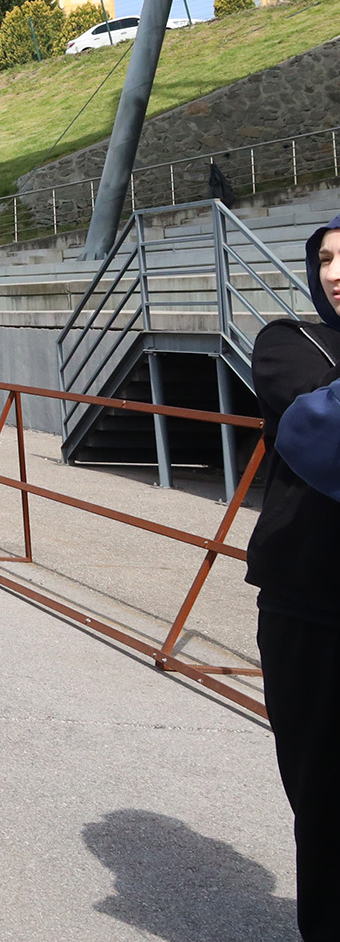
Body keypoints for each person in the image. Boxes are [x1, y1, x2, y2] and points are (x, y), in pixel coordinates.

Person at [248, 211, 340, 941]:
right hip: (313, 608)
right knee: (329, 801)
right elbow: (324, 433)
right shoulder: (291, 344)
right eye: (326, 258)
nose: (336, 272)